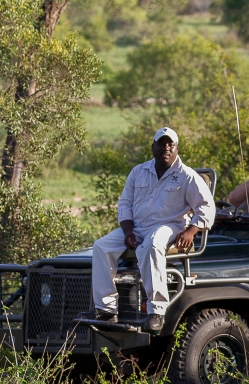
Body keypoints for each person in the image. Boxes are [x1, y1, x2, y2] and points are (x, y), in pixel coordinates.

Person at [85, 127, 215, 331]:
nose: (166, 148)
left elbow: (206, 207)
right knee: (101, 246)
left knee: (152, 245)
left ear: (176, 148)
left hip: (169, 226)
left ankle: (156, 311)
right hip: (137, 227)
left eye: (170, 144)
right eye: (161, 144)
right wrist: (128, 231)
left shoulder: (187, 176)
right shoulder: (139, 171)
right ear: (152, 147)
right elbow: (125, 204)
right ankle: (107, 310)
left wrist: (191, 231)